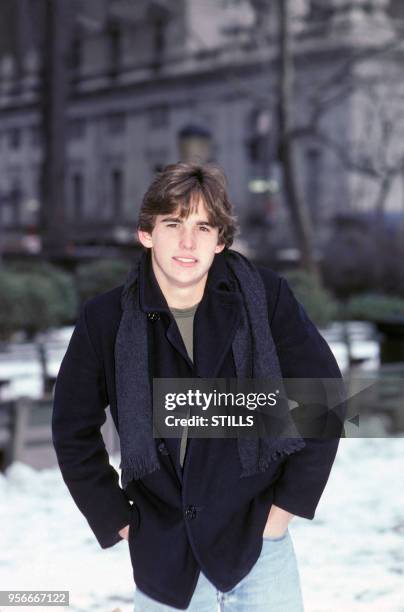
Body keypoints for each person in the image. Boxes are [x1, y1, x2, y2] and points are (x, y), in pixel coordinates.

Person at [52, 162, 345, 611]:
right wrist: (119, 520)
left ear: (220, 240)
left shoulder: (265, 297)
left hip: (259, 547)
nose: (188, 242)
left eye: (203, 227)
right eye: (173, 223)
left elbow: (324, 398)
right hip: (166, 557)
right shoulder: (105, 320)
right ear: (147, 233)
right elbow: (73, 430)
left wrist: (284, 509)